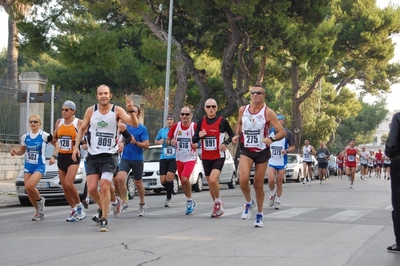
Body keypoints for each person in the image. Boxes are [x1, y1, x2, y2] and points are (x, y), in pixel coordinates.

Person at [71, 85, 138, 232]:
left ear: (110, 95)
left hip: (109, 155)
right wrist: (76, 147)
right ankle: (106, 207)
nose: (103, 96)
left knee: (105, 185)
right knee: (93, 188)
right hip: (93, 155)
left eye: (106, 93)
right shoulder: (91, 111)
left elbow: (134, 123)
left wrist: (131, 111)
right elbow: (82, 129)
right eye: (101, 94)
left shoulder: (117, 110)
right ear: (97, 96)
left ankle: (105, 219)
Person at [232, 84, 286, 228]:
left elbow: (282, 132)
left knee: (257, 184)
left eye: (258, 93)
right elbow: (239, 123)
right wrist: (237, 135)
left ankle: (260, 214)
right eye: (253, 92)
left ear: (264, 96)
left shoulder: (268, 112)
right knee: (242, 180)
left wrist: (272, 139)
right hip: (246, 149)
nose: (255, 95)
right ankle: (249, 202)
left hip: (262, 150)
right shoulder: (242, 110)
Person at [192, 98, 235, 217]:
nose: (211, 109)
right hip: (206, 158)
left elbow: (232, 134)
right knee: (210, 184)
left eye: (213, 107)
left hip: (218, 156)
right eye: (209, 107)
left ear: (216, 108)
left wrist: (226, 143)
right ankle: (217, 204)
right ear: (205, 109)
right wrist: (199, 135)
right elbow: (194, 139)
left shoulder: (222, 121)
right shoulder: (201, 123)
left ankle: (218, 202)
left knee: (212, 180)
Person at [11, 114, 53, 221]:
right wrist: (15, 152)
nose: (33, 124)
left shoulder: (44, 135)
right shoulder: (25, 137)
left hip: (39, 165)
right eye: (31, 122)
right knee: (28, 190)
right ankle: (39, 211)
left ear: (40, 123)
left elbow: (56, 144)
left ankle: (40, 200)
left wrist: (54, 156)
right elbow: (22, 151)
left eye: (35, 122)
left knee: (30, 186)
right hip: (28, 165)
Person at [49, 100, 86, 222]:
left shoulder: (78, 123)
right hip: (62, 156)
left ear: (73, 111)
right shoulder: (59, 122)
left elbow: (84, 138)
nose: (63, 112)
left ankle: (80, 205)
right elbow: (54, 138)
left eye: (66, 110)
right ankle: (73, 208)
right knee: (64, 186)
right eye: (62, 109)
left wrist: (81, 145)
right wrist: (55, 145)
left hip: (73, 156)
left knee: (69, 183)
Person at [114, 105, 149, 217]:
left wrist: (136, 143)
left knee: (138, 183)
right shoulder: (125, 127)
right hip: (126, 158)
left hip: (137, 159)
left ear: (138, 114)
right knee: (119, 178)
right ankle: (125, 202)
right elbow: (121, 139)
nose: (131, 113)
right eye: (129, 112)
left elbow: (147, 145)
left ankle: (142, 203)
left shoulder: (142, 128)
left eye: (133, 111)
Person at [167, 107, 198, 215]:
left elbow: (201, 140)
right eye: (183, 114)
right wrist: (171, 142)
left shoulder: (194, 127)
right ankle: (190, 199)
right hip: (179, 158)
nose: (185, 116)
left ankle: (189, 201)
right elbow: (167, 140)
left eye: (187, 114)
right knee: (183, 182)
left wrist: (197, 144)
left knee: (185, 178)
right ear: (180, 115)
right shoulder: (176, 126)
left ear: (191, 116)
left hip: (191, 157)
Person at [267, 114, 295, 210]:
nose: (278, 121)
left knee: (279, 182)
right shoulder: (269, 131)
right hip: (271, 160)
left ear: (283, 122)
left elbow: (292, 146)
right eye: (276, 119)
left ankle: (278, 200)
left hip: (282, 161)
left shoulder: (288, 133)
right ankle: (272, 194)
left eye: (280, 120)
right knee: (270, 180)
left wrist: (286, 151)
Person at [385, 111, 400, 253]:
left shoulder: (398, 116)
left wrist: (389, 153)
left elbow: (392, 142)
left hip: (399, 162)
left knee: (398, 201)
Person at [154, 114, 177, 207]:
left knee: (169, 177)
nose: (169, 121)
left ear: (174, 121)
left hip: (173, 157)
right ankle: (170, 188)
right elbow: (156, 140)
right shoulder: (162, 131)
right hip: (163, 157)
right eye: (168, 119)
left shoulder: (177, 130)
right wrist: (159, 142)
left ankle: (168, 198)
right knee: (163, 180)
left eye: (171, 119)